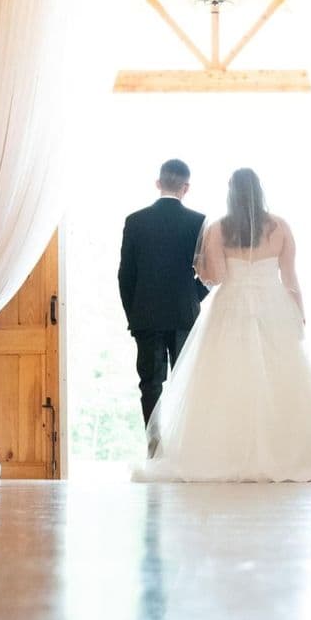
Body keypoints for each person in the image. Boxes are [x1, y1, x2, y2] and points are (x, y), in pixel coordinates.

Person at [132, 167, 311, 483]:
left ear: (231, 194)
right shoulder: (280, 227)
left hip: (230, 307)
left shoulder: (218, 230)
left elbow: (216, 278)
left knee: (228, 379)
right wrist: (299, 313)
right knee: (282, 376)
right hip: (273, 307)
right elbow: (290, 278)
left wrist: (200, 266)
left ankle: (227, 453)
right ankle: (286, 451)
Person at [118, 159, 209, 438]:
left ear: (158, 184)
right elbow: (207, 273)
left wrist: (134, 314)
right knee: (184, 383)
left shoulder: (135, 221)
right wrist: (192, 298)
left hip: (146, 317)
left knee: (150, 384)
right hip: (183, 315)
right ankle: (184, 445)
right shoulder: (198, 221)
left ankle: (154, 448)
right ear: (187, 187)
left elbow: (125, 276)